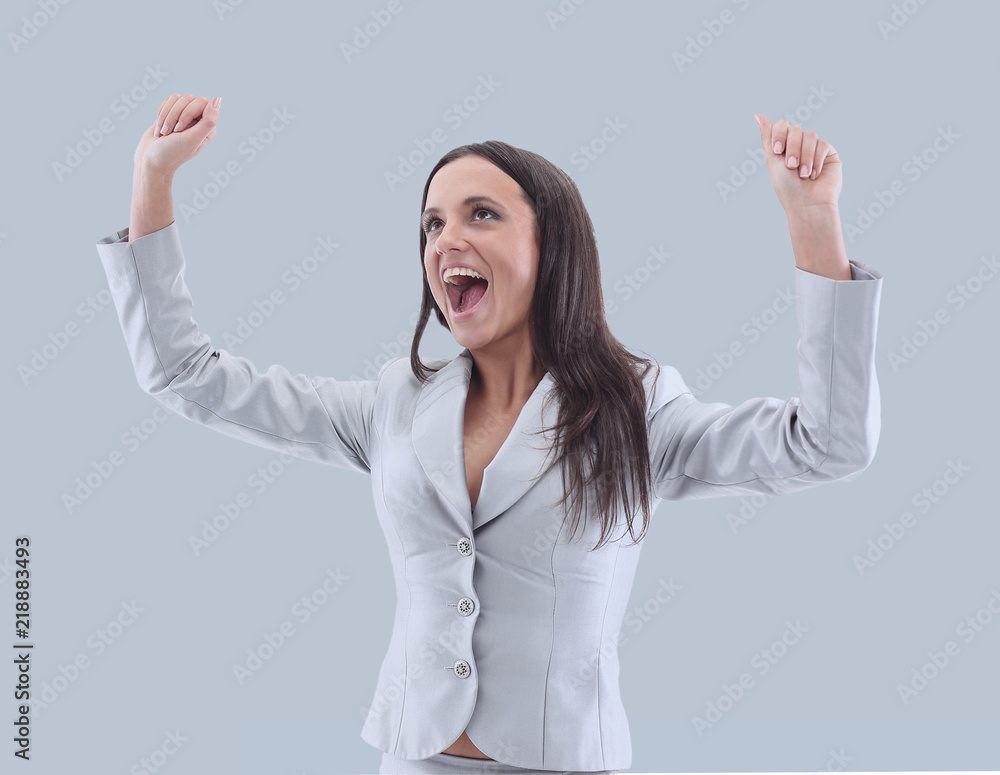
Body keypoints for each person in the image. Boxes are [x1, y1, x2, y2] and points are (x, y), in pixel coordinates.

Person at [96, 94, 883, 775]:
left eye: (482, 214)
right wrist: (152, 177)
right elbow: (184, 373)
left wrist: (814, 222)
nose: (444, 240)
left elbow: (829, 440)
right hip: (411, 754)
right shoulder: (395, 402)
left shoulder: (637, 407)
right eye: (432, 222)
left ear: (553, 246)